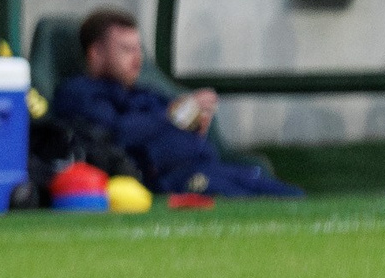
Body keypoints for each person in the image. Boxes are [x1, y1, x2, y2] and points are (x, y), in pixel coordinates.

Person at [54, 10, 302, 196]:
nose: (137, 58)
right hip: (170, 181)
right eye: (126, 50)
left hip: (209, 167)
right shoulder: (79, 93)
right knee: (249, 203)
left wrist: (196, 120)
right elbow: (115, 135)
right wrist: (173, 116)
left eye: (139, 49)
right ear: (96, 53)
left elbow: (180, 118)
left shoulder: (146, 94)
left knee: (291, 196)